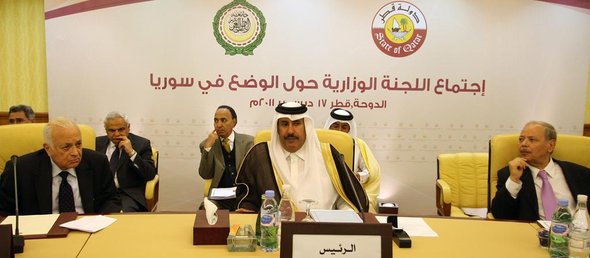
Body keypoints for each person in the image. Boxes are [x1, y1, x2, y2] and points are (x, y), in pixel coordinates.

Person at [235, 102, 369, 213]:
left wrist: (343, 219)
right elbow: (248, 199)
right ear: (277, 128)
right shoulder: (260, 155)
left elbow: (347, 199)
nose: (290, 131)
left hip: (322, 234)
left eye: (297, 123)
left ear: (306, 127)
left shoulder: (328, 155)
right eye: (284, 124)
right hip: (274, 235)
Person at [0, 117, 121, 215]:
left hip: (88, 231)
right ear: (48, 149)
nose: (75, 153)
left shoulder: (97, 162)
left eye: (78, 144)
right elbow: (5, 211)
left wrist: (100, 220)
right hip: (43, 233)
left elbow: (111, 199)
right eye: (66, 147)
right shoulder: (20, 169)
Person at [491, 121, 590, 220]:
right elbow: (499, 215)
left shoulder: (580, 173)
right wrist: (514, 180)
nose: (524, 144)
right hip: (534, 233)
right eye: (521, 139)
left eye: (532, 140)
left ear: (550, 145)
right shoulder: (510, 174)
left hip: (577, 232)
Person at [96, 111, 157, 212]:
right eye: (112, 130)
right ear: (106, 131)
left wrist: (131, 153)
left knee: (123, 217)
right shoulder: (97, 143)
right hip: (101, 194)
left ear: (128, 127)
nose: (116, 134)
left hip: (127, 194)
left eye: (121, 129)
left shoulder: (141, 144)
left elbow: (150, 174)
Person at [324, 108, 381, 213]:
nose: (339, 130)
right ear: (329, 126)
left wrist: (359, 176)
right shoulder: (320, 143)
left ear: (349, 129)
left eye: (344, 127)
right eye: (336, 126)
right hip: (324, 189)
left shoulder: (358, 145)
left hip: (347, 192)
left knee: (350, 213)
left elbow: (369, 171)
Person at [198, 105, 254, 210]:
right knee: (205, 208)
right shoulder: (207, 144)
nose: (219, 125)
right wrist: (207, 148)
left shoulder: (249, 143)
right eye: (216, 121)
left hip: (243, 196)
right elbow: (205, 174)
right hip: (219, 197)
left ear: (234, 122)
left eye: (223, 120)